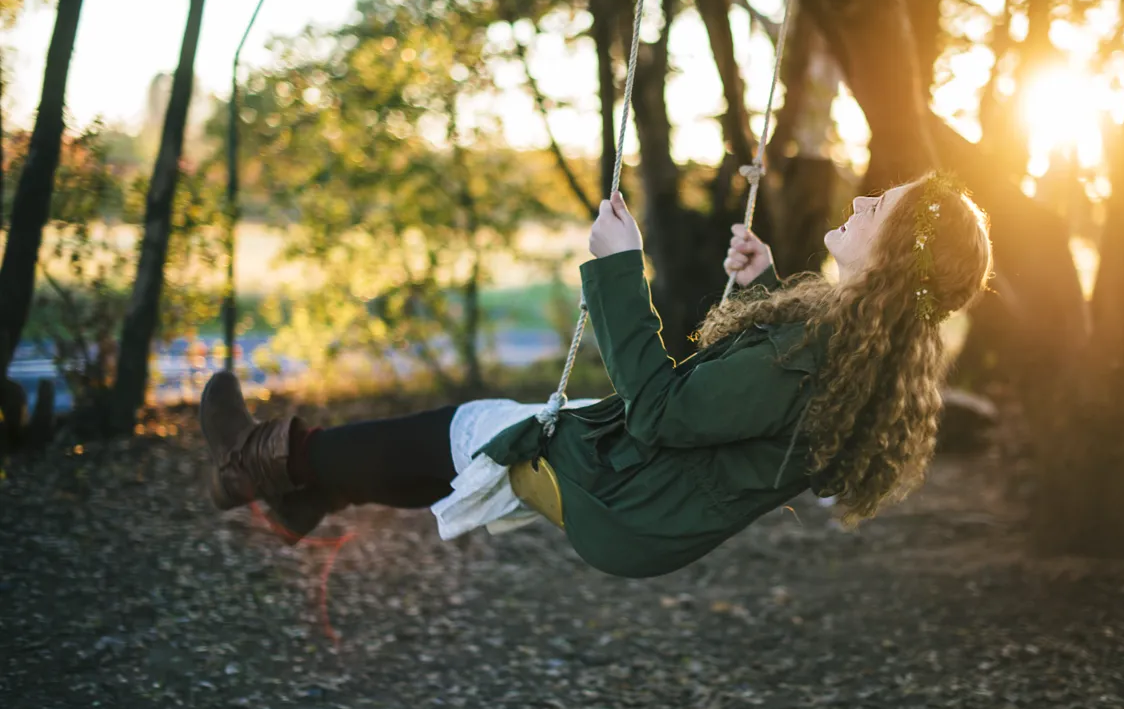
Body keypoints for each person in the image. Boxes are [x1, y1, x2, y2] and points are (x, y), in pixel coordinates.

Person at [200, 171, 992, 578]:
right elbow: (761, 403)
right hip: (658, 501)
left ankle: (262, 460)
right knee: (486, 442)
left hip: (635, 497)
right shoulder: (858, 352)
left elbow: (660, 410)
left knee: (479, 431)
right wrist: (766, 283)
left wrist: (621, 271)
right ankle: (307, 489)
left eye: (881, 205)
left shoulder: (811, 360)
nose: (860, 198)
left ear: (892, 256)